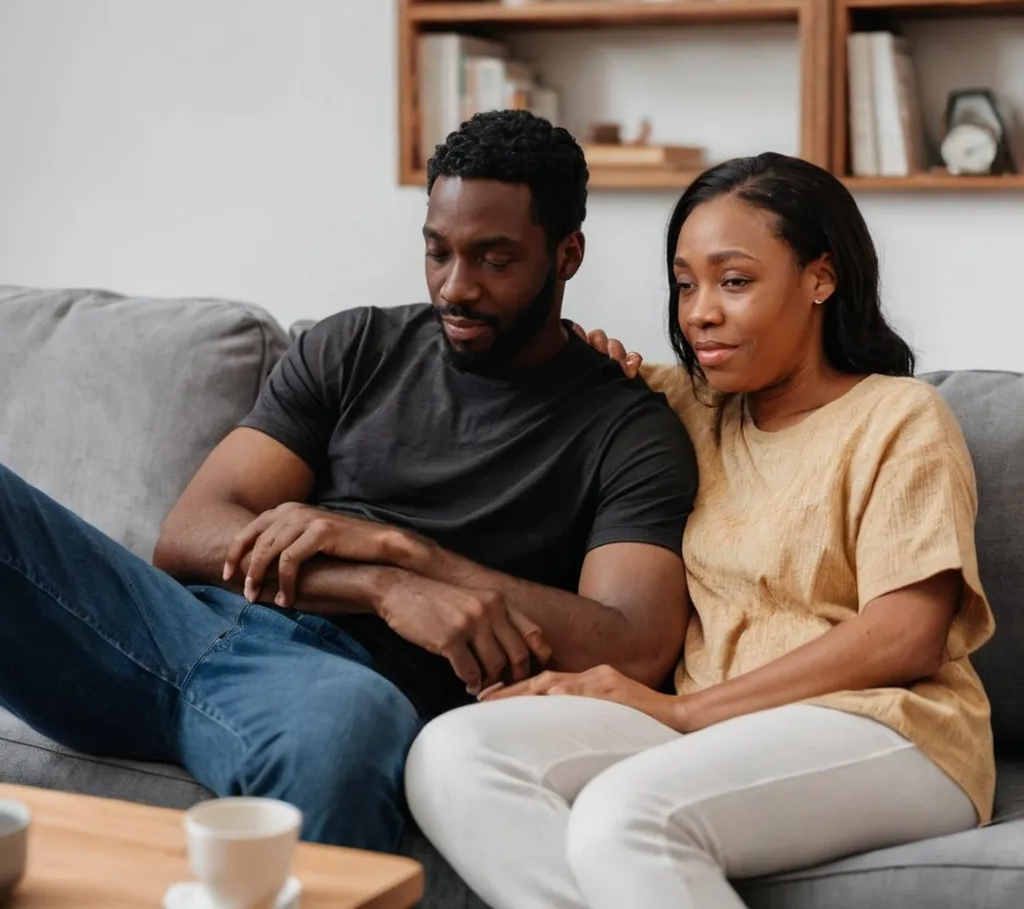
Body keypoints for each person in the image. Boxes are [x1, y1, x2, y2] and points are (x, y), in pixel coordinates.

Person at [0, 110, 697, 853]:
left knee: (349, 726)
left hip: (334, 683)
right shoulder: (356, 345)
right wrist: (383, 585)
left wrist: (419, 558)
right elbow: (189, 536)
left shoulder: (627, 430)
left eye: (495, 260)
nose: (455, 288)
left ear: (567, 255)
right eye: (438, 252)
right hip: (167, 626)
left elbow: (635, 643)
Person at [405, 153, 996, 909]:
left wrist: (679, 711)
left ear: (821, 276)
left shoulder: (899, 417)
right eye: (685, 284)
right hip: (716, 733)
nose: (699, 312)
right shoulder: (684, 406)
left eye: (734, 281)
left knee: (627, 815)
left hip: (892, 729)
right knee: (453, 753)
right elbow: (561, 371)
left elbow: (905, 635)